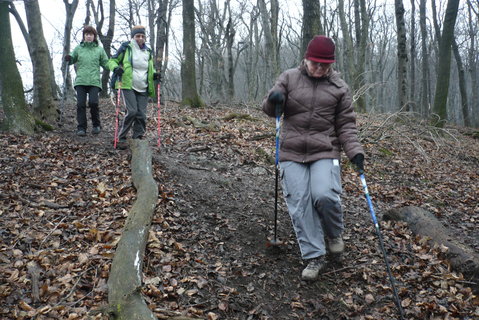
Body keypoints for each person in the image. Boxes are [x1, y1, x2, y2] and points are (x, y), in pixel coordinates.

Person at [262, 35, 365, 281]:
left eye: (324, 65)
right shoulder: (289, 78)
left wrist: (355, 152)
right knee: (300, 201)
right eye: (314, 63)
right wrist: (273, 101)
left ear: (331, 64)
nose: (319, 69)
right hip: (291, 151)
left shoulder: (339, 88)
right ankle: (314, 255)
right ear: (306, 59)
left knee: (325, 195)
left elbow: (346, 126)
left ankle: (334, 233)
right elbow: (269, 109)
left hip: (325, 149)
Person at [107, 25, 160, 150]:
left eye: (142, 36)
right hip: (128, 84)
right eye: (137, 36)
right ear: (133, 37)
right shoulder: (126, 48)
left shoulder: (148, 51)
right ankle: (121, 137)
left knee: (141, 114)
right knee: (132, 111)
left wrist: (155, 75)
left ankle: (138, 137)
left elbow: (149, 69)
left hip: (143, 86)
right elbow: (112, 61)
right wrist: (116, 68)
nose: (140, 38)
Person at [65, 25, 109, 136]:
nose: (89, 36)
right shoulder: (78, 48)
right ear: (84, 36)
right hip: (80, 81)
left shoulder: (99, 50)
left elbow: (106, 63)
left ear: (94, 36)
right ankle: (81, 128)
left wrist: (115, 67)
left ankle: (96, 125)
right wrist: (68, 58)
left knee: (93, 103)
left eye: (91, 34)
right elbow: (71, 58)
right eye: (87, 34)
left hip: (94, 81)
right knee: (80, 104)